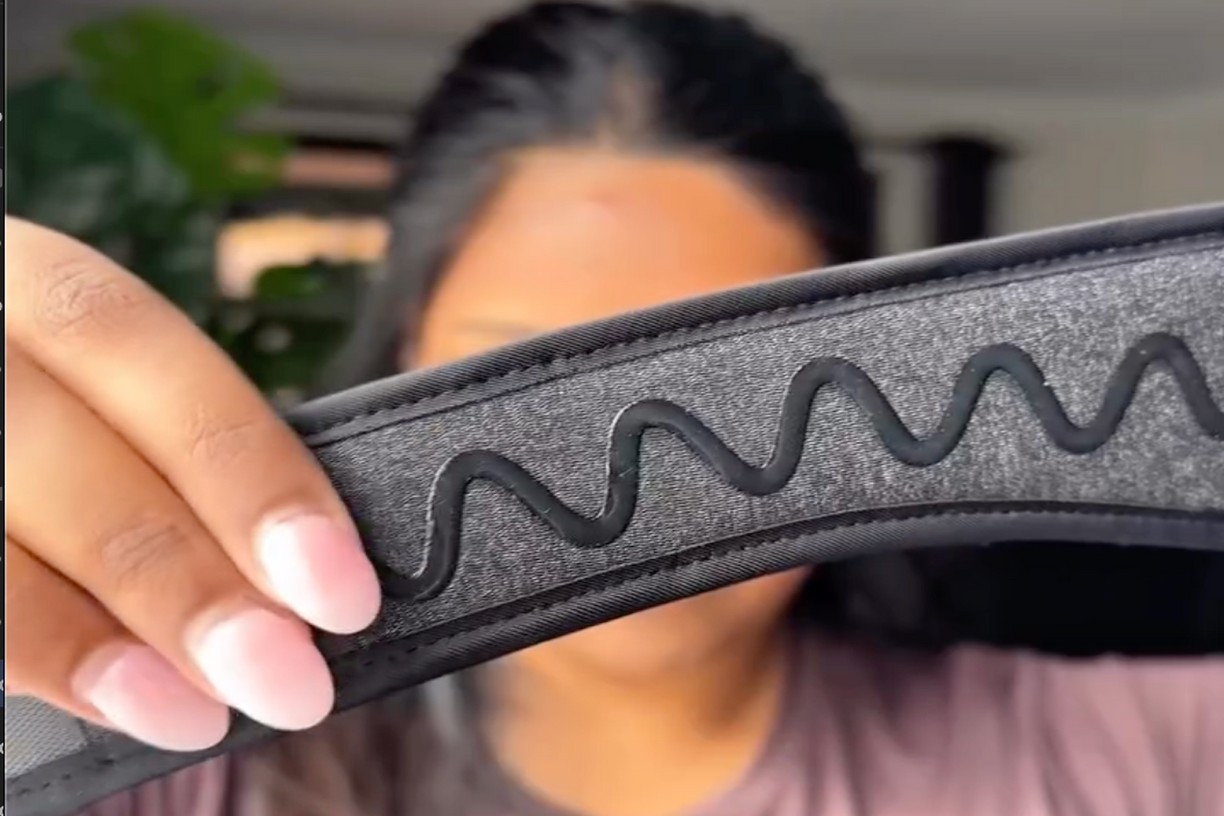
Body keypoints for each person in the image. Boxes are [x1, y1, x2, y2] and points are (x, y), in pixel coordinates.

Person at [7, 3, 1222, 815]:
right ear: (406, 349)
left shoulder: (1143, 755)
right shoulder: (158, 770)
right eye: (525, 372)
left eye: (741, 387)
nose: (651, 473)